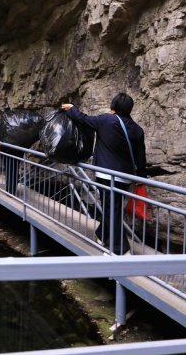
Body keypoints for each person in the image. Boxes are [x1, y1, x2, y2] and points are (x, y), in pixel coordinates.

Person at [61, 92, 146, 254]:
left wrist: (72, 109)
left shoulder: (106, 120)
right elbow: (141, 156)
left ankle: (120, 248)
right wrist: (141, 177)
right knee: (113, 206)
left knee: (111, 208)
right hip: (125, 177)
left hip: (105, 174)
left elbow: (84, 119)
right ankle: (102, 234)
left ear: (113, 107)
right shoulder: (137, 130)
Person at [0, 109, 24, 197]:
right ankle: (13, 188)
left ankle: (10, 191)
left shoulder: (0, 122)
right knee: (15, 168)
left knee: (9, 169)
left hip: (6, 149)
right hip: (19, 149)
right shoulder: (18, 122)